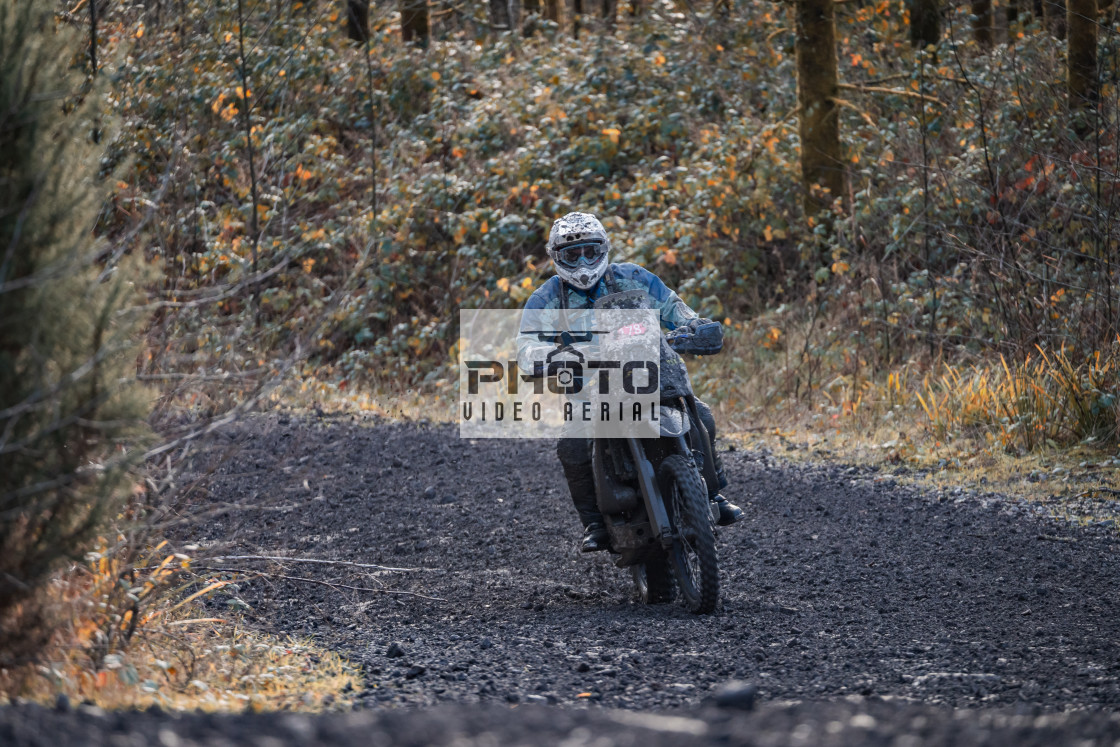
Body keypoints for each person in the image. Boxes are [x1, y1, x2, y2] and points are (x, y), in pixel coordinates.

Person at [518, 212, 743, 552]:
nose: (582, 261)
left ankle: (713, 492)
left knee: (702, 415)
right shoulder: (547, 298)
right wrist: (547, 355)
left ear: (603, 249)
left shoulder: (634, 277)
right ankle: (595, 524)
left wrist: (694, 325)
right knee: (572, 445)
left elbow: (673, 307)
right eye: (572, 255)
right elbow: (527, 343)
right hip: (592, 392)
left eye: (590, 252)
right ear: (557, 258)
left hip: (653, 376)